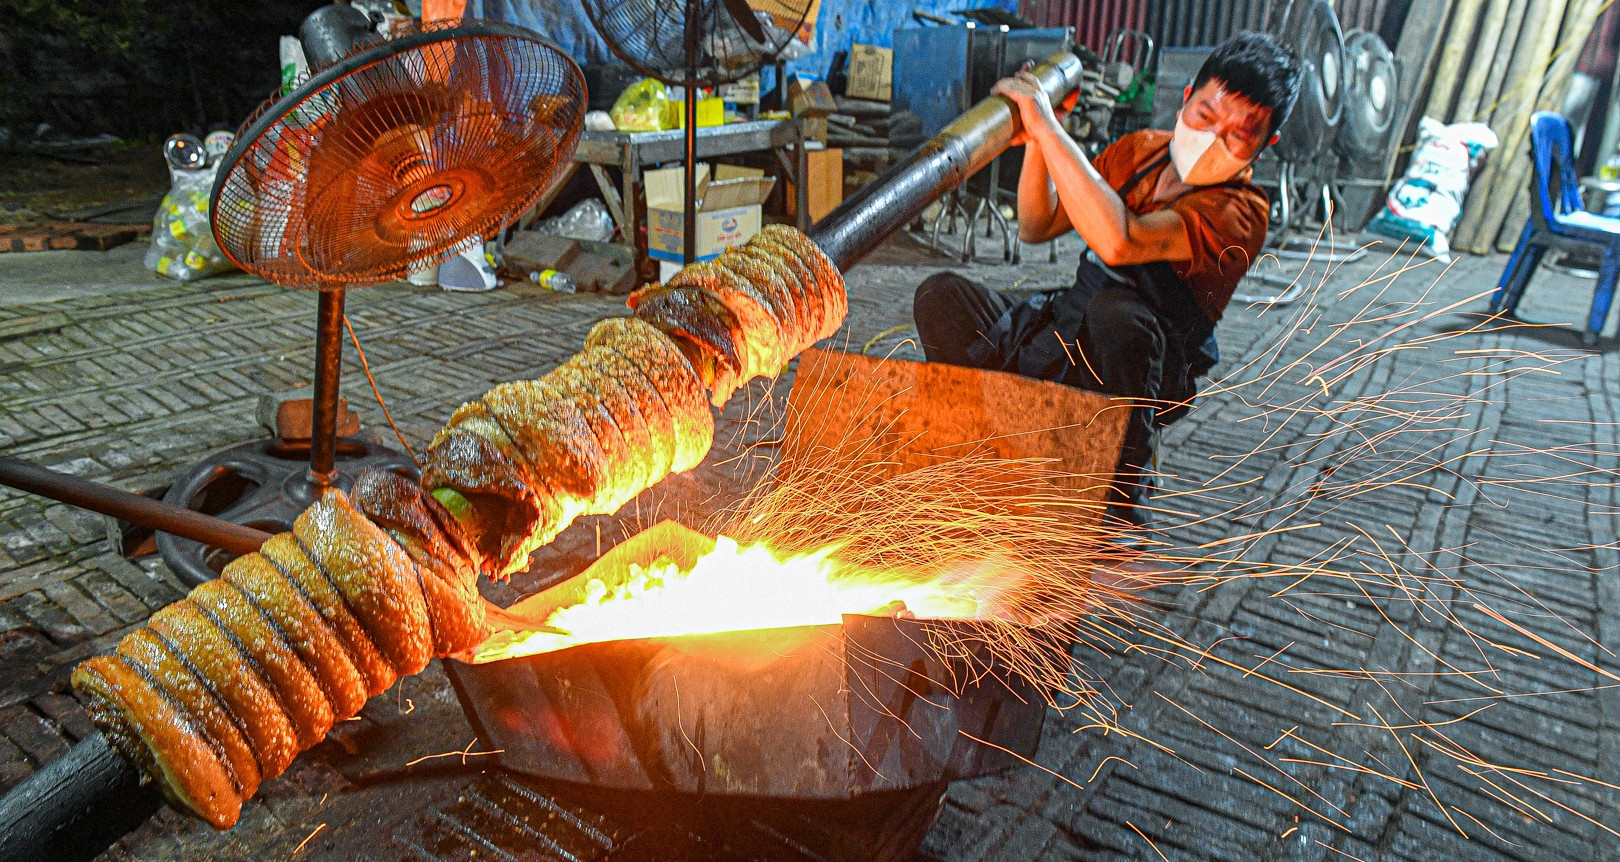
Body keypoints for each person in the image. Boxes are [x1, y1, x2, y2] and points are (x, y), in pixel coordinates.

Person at [911, 32, 1300, 527]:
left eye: (1238, 135)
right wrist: (1039, 142)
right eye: (1205, 116)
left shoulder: (1241, 213)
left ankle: (1119, 504)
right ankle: (978, 453)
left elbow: (1121, 240)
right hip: (1071, 323)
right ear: (1185, 100)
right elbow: (1037, 224)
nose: (1212, 140)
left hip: (1135, 362)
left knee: (1119, 316)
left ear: (1265, 146)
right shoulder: (1140, 152)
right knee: (943, 298)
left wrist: (1050, 129)